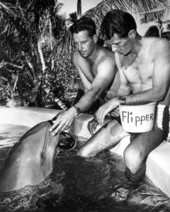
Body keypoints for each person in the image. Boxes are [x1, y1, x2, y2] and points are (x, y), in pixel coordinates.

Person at [78, 10, 170, 182]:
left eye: (118, 43)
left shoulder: (160, 47)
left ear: (132, 34)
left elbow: (159, 92)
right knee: (85, 152)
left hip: (156, 116)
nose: (114, 50)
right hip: (131, 114)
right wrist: (102, 111)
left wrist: (119, 101)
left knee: (132, 156)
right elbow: (124, 89)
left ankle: (133, 193)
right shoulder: (120, 55)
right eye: (111, 45)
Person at [50, 17, 119, 134]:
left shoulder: (107, 61)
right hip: (103, 109)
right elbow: (88, 89)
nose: (80, 48)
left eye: (84, 42)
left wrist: (73, 111)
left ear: (95, 38)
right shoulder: (77, 57)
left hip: (122, 110)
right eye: (76, 43)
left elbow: (95, 91)